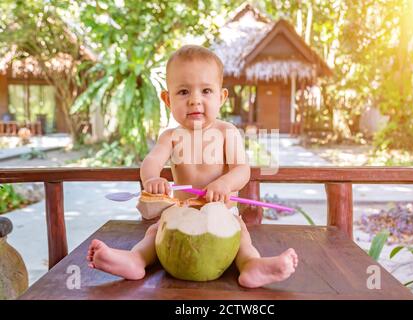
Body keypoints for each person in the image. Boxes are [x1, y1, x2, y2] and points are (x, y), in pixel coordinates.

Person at [87, 45, 298, 288]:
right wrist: (152, 179)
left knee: (242, 237)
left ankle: (252, 266)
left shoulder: (227, 132)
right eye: (184, 92)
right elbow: (151, 162)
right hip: (180, 214)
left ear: (221, 97)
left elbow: (242, 169)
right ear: (168, 99)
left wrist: (224, 183)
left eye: (206, 90)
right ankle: (136, 259)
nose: (195, 100)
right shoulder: (171, 136)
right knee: (155, 233)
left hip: (222, 215)